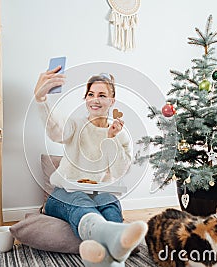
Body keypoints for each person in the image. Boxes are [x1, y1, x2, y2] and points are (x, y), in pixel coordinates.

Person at [34, 66, 148, 266]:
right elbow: (55, 128)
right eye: (91, 94)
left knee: (108, 201)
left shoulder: (120, 133)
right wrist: (41, 99)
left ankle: (110, 253)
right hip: (62, 195)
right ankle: (114, 237)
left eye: (102, 95)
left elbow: (119, 171)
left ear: (112, 101)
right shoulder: (75, 125)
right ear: (85, 98)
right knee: (80, 199)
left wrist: (111, 138)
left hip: (99, 192)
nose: (95, 99)